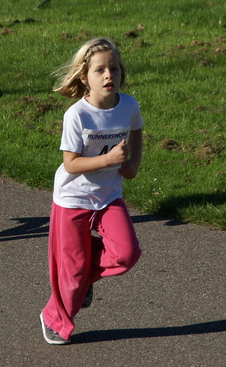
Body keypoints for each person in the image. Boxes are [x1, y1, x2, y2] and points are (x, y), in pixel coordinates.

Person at [39, 38, 143, 344]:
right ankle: (54, 318)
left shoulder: (128, 106)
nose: (108, 75)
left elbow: (136, 131)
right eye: (100, 70)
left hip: (108, 196)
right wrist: (109, 159)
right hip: (72, 199)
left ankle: (81, 279)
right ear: (85, 78)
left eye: (114, 68)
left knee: (127, 254)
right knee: (71, 273)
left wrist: (134, 162)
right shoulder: (77, 115)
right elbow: (70, 164)